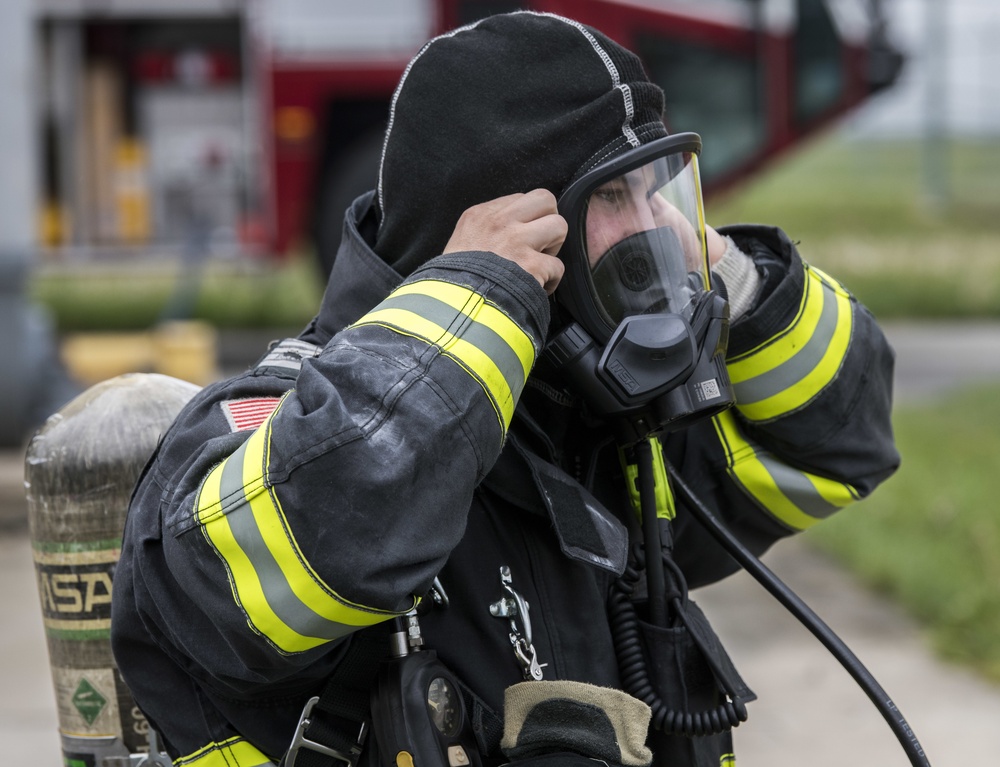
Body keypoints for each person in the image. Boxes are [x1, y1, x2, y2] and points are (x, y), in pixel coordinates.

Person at [111, 11, 899, 767]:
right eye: (617, 198)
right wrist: (471, 308)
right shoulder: (271, 425)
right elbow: (293, 557)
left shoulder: (591, 426)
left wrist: (729, 274)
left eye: (662, 189)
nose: (656, 227)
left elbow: (839, 440)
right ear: (509, 233)